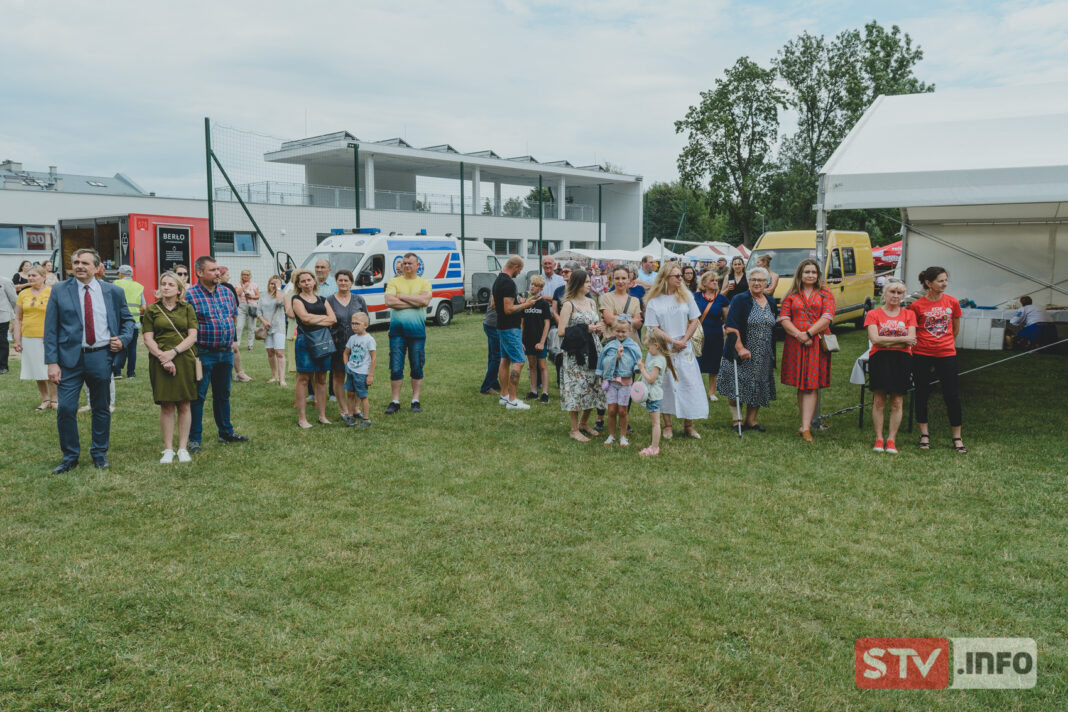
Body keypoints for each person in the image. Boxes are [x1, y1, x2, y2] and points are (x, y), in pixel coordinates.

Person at [43, 249, 134, 473]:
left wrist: (122, 340)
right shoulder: (59, 290)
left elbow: (128, 321)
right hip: (68, 360)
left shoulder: (112, 291)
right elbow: (50, 329)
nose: (79, 266)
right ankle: (70, 456)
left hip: (100, 356)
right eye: (76, 262)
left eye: (85, 262)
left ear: (97, 267)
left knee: (101, 407)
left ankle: (99, 453)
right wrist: (52, 362)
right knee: (65, 408)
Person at [185, 255, 250, 453]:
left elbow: (232, 316)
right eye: (212, 270)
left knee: (223, 395)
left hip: (226, 352)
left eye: (218, 270)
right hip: (203, 353)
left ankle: (226, 432)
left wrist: (233, 342)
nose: (218, 273)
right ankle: (195, 438)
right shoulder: (190, 296)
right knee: (198, 397)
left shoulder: (227, 292)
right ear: (200, 273)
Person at [644, 263, 708, 439]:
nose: (681, 278)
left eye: (681, 275)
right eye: (676, 276)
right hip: (663, 348)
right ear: (665, 278)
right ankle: (667, 425)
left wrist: (683, 340)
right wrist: (672, 341)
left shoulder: (686, 297)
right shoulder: (654, 302)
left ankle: (689, 425)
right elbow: (652, 326)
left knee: (688, 383)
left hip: (684, 347)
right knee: (665, 385)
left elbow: (694, 320)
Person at [141, 271, 199, 464]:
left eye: (170, 284)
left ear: (179, 289)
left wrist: (173, 353)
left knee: (184, 403)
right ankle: (168, 449)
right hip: (159, 360)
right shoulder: (152, 310)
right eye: (163, 284)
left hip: (183, 358)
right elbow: (148, 338)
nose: (166, 287)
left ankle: (182, 448)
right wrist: (163, 357)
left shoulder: (187, 308)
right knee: (166, 404)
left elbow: (192, 336)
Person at [908, 266, 966, 453]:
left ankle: (957, 436)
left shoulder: (952, 302)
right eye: (941, 280)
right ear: (928, 283)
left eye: (946, 280)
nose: (945, 284)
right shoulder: (917, 306)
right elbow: (913, 330)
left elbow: (955, 328)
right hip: (922, 354)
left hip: (946, 353)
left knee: (952, 395)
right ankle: (924, 434)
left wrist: (944, 342)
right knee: (922, 393)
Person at [778, 259, 836, 441]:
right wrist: (799, 335)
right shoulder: (792, 294)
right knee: (801, 384)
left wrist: (809, 334)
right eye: (807, 272)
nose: (810, 275)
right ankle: (804, 424)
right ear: (800, 274)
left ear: (818, 275)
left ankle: (806, 427)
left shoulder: (825, 294)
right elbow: (784, 318)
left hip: (816, 343)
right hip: (796, 343)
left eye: (813, 272)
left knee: (811, 385)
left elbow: (827, 317)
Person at [718, 267, 778, 431]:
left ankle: (752, 420)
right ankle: (737, 420)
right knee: (737, 385)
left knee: (758, 384)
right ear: (748, 282)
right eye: (753, 280)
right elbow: (731, 326)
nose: (757, 283)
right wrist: (740, 348)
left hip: (764, 352)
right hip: (742, 350)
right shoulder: (739, 299)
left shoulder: (771, 301)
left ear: (767, 283)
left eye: (760, 280)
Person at [864, 277, 917, 454]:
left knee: (897, 400)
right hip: (880, 358)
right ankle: (879, 438)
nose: (895, 296)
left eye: (899, 292)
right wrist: (901, 340)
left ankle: (891, 439)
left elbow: (912, 340)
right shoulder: (874, 314)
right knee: (879, 400)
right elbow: (875, 340)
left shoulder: (909, 314)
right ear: (884, 293)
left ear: (903, 295)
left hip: (902, 359)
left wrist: (888, 341)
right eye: (892, 292)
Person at [557, 269, 605, 441]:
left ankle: (584, 422)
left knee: (593, 385)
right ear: (577, 283)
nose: (589, 284)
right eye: (586, 282)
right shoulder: (569, 304)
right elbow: (561, 331)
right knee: (576, 388)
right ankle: (574, 428)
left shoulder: (592, 303)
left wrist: (598, 328)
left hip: (593, 348)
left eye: (589, 281)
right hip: (575, 353)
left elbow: (595, 323)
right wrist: (586, 328)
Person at [384, 253, 431, 413]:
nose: (406, 266)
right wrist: (414, 302)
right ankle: (395, 401)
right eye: (404, 263)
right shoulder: (393, 281)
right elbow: (389, 301)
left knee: (417, 366)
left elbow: (424, 301)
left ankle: (415, 400)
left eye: (410, 263)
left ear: (418, 265)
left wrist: (402, 297)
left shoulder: (424, 283)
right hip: (397, 332)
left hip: (417, 332)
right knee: (396, 367)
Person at [291, 268, 337, 428]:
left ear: (314, 281)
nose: (307, 283)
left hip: (323, 341)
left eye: (309, 280)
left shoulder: (322, 299)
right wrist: (323, 318)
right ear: (298, 284)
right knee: (303, 379)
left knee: (322, 379)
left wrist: (315, 319)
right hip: (305, 342)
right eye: (303, 281)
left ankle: (322, 416)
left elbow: (333, 319)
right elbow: (304, 319)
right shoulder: (296, 300)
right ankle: (302, 418)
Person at [493, 256, 536, 410]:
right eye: (520, 269)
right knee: (518, 361)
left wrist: (518, 302)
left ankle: (504, 396)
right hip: (511, 328)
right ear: (515, 267)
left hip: (502, 327)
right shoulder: (509, 283)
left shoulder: (498, 280)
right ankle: (512, 400)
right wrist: (527, 304)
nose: (519, 272)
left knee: (505, 360)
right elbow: (508, 309)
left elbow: (494, 304)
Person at [327, 269, 369, 420]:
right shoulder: (329, 300)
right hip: (338, 344)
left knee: (358, 376)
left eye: (346, 280)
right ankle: (344, 409)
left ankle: (356, 408)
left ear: (351, 282)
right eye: (340, 280)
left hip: (357, 345)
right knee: (338, 375)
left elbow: (365, 320)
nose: (343, 283)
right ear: (336, 282)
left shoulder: (359, 300)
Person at [14, 265, 57, 411]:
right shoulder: (23, 294)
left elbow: (59, 317)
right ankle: (45, 399)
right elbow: (18, 318)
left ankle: (55, 400)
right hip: (29, 337)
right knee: (37, 370)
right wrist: (17, 339)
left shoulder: (52, 292)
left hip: (48, 337)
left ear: (44, 277)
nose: (31, 278)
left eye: (34, 276)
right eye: (29, 276)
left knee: (50, 369)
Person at [595, 316, 641, 446]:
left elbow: (638, 359)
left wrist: (637, 367)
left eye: (624, 332)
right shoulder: (609, 346)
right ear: (614, 330)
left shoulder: (633, 346)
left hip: (625, 383)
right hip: (611, 382)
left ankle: (623, 436)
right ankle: (611, 435)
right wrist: (615, 358)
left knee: (622, 410)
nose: (621, 334)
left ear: (629, 331)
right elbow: (602, 361)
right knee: (611, 410)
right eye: (618, 331)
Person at [637, 330, 675, 456]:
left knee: (655, 423)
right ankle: (654, 446)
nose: (648, 350)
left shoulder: (658, 361)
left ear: (656, 345)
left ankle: (654, 448)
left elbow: (651, 379)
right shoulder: (659, 358)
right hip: (653, 394)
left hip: (654, 395)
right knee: (655, 422)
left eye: (648, 348)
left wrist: (642, 369)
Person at [694, 270, 730, 401]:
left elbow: (727, 318)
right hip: (698, 335)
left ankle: (711, 392)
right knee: (696, 363)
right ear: (704, 283)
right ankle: (696, 390)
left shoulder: (721, 299)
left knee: (714, 365)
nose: (715, 283)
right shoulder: (696, 296)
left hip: (715, 335)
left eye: (716, 281)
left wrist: (724, 330)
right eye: (712, 280)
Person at [218, 266, 252, 383]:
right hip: (216, 325)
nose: (229, 276)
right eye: (227, 275)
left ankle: (239, 373)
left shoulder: (229, 287)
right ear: (220, 275)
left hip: (228, 323)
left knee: (234, 347)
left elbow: (235, 304)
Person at [342, 311, 376, 428]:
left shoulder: (369, 340)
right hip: (351, 371)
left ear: (365, 325)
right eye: (352, 323)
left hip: (362, 373)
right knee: (350, 393)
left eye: (357, 324)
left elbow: (373, 358)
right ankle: (350, 417)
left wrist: (370, 375)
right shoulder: (352, 338)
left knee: (362, 396)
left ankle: (366, 419)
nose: (354, 326)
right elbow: (346, 353)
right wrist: (347, 365)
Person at [522, 275, 552, 402]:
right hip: (528, 340)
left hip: (540, 340)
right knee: (532, 365)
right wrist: (521, 340)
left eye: (535, 285)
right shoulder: (526, 303)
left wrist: (542, 341)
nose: (532, 286)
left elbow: (547, 324)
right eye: (531, 284)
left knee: (542, 366)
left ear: (540, 288)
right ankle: (534, 391)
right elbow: (522, 323)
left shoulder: (543, 304)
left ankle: (545, 393)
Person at [112, 264, 145, 379]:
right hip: (134, 323)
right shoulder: (139, 286)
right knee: (132, 348)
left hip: (119, 323)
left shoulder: (116, 284)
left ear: (120, 274)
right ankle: (131, 373)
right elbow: (143, 307)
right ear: (131, 274)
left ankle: (117, 373)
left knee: (118, 346)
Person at [257, 275, 288, 386]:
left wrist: (279, 288)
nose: (273, 286)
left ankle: (282, 379)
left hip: (278, 327)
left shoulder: (282, 295)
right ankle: (275, 376)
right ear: (268, 284)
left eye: (276, 284)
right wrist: (264, 322)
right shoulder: (263, 295)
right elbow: (258, 312)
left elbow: (280, 302)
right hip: (267, 327)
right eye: (272, 283)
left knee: (279, 352)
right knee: (270, 352)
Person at [234, 269, 260, 351]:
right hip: (241, 307)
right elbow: (237, 293)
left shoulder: (254, 285)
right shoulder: (238, 285)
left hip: (252, 306)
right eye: (243, 274)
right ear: (241, 275)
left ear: (250, 276)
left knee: (251, 327)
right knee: (239, 327)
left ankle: (250, 345)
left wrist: (251, 297)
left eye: (247, 275)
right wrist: (244, 287)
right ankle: (237, 344)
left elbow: (258, 296)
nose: (245, 276)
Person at [480, 301, 501, 395]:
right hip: (493, 325)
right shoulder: (499, 286)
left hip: (490, 324)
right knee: (497, 357)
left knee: (493, 355)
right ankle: (486, 387)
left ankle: (493, 382)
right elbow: (493, 304)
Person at [0, 273, 16, 374]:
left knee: (1, 340)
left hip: (2, 316)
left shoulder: (5, 281)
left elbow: (13, 299)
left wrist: (16, 315)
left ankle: (3, 366)